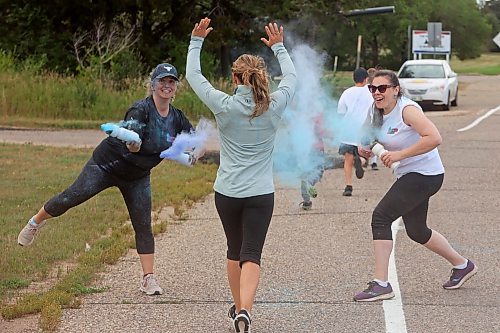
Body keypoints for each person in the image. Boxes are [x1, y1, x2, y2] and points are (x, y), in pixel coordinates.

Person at [17, 63, 196, 296]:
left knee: (143, 225)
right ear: (152, 85)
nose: (167, 85)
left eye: (171, 81)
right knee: (71, 197)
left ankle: (148, 279)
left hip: (137, 176)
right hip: (106, 165)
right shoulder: (140, 110)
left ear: (175, 88)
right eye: (162, 81)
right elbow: (131, 147)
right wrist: (133, 144)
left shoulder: (177, 117)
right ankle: (35, 222)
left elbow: (194, 141)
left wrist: (192, 152)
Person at [186, 18, 296, 333]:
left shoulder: (224, 105)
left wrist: (196, 42)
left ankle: (239, 309)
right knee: (252, 254)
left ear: (234, 77)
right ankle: (245, 309)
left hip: (227, 193)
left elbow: (194, 76)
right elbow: (292, 78)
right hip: (261, 193)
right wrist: (279, 47)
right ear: (262, 77)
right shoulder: (274, 105)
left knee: (234, 250)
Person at [353, 70, 477, 302]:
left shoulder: (407, 110)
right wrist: (364, 147)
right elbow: (366, 134)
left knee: (381, 217)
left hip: (425, 175)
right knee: (417, 231)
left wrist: (400, 154)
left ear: (396, 89)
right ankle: (463, 265)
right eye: (373, 88)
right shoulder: (375, 111)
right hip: (409, 175)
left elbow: (434, 137)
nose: (376, 93)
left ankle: (381, 284)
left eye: (382, 88)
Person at [336, 67, 374, 196]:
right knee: (365, 154)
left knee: (348, 158)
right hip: (364, 129)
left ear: (354, 79)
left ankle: (348, 186)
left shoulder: (347, 93)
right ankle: (361, 161)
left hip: (348, 129)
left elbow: (341, 112)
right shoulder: (370, 91)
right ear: (366, 79)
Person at [366, 67, 379, 170]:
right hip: (375, 117)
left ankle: (363, 159)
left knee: (366, 140)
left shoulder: (367, 89)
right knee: (375, 140)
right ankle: (374, 162)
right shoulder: (378, 88)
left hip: (366, 118)